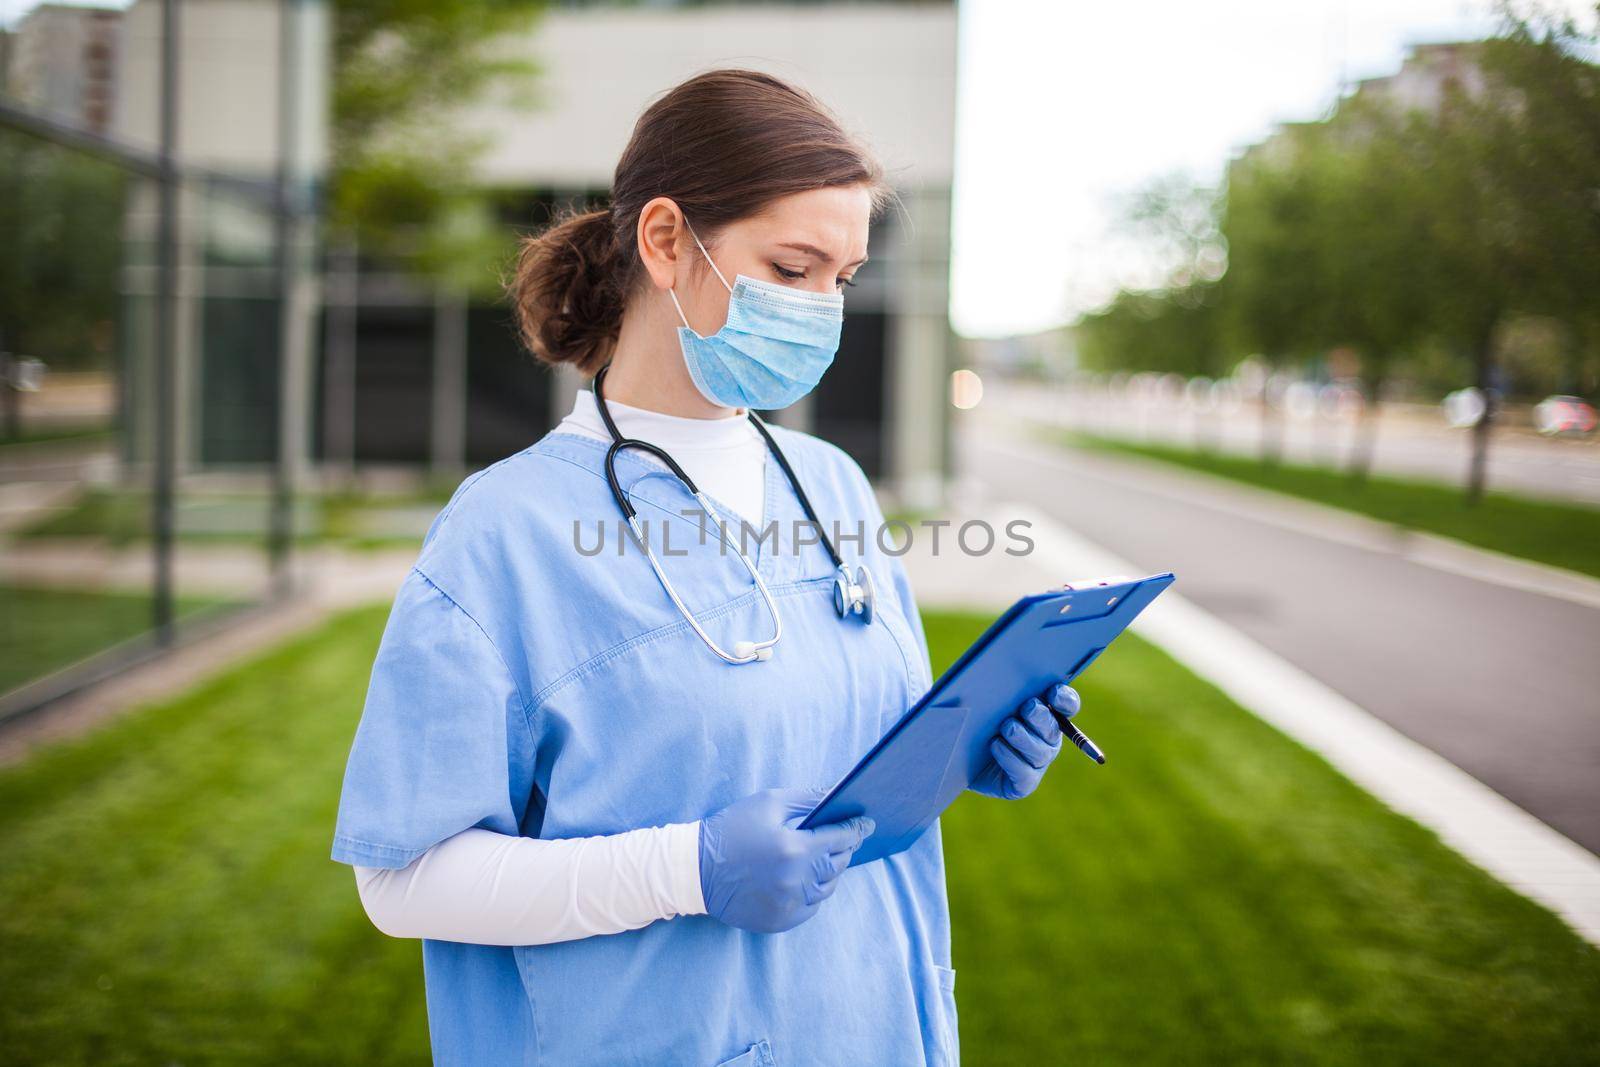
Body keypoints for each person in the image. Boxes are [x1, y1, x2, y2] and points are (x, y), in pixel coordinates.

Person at [330, 68, 1081, 1067]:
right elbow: (404, 880)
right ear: (666, 240)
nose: (822, 308)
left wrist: (967, 743)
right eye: (791, 267)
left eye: (842, 278)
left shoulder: (833, 486)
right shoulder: (505, 531)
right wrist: (686, 866)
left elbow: (837, 757)